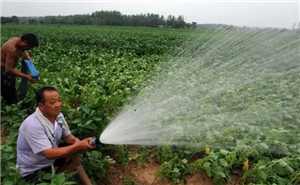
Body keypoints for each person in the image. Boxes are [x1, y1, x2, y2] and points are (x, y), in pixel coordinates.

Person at [16, 86, 95, 185]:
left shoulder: (58, 116)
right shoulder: (32, 125)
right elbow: (49, 154)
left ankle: (57, 172)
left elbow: (68, 138)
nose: (58, 105)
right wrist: (78, 146)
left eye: (59, 100)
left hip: (50, 161)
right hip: (33, 170)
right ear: (41, 106)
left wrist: (79, 142)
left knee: (72, 148)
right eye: (52, 102)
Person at [1, 33, 39, 105]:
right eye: (28, 48)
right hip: (2, 70)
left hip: (8, 69)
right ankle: (11, 107)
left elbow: (22, 49)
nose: (28, 50)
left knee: (10, 87)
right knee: (8, 91)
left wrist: (27, 56)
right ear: (25, 42)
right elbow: (8, 69)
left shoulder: (17, 40)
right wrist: (27, 76)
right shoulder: (11, 49)